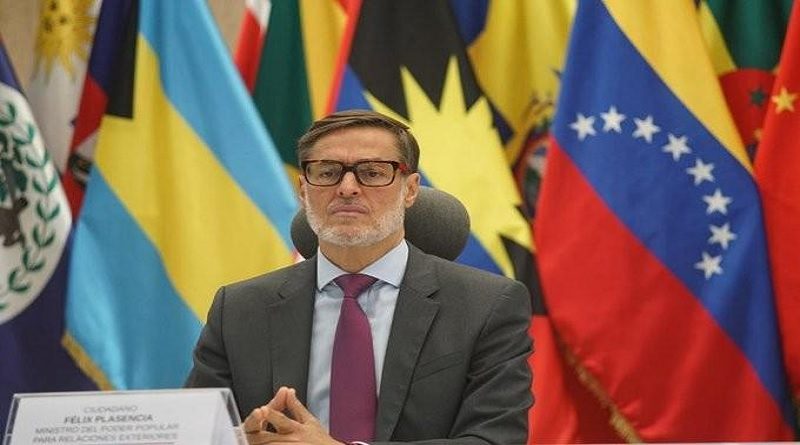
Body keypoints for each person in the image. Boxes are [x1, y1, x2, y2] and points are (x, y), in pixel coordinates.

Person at [185, 110, 533, 445]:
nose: (347, 188)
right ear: (303, 190)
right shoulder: (239, 309)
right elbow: (192, 434)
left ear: (411, 189)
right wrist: (236, 440)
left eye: (372, 172)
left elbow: (495, 439)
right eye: (327, 172)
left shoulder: (487, 306)